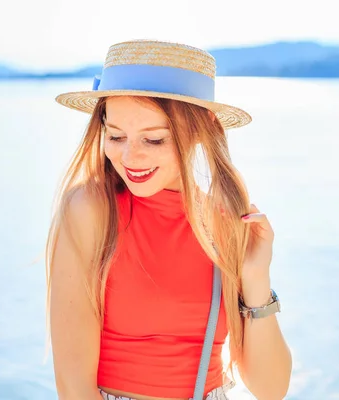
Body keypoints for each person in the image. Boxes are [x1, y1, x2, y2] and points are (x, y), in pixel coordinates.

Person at [44, 40, 292, 400]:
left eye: (154, 140)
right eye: (115, 136)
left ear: (200, 130)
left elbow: (272, 390)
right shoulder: (90, 209)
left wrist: (256, 277)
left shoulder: (224, 223)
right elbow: (73, 386)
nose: (131, 156)